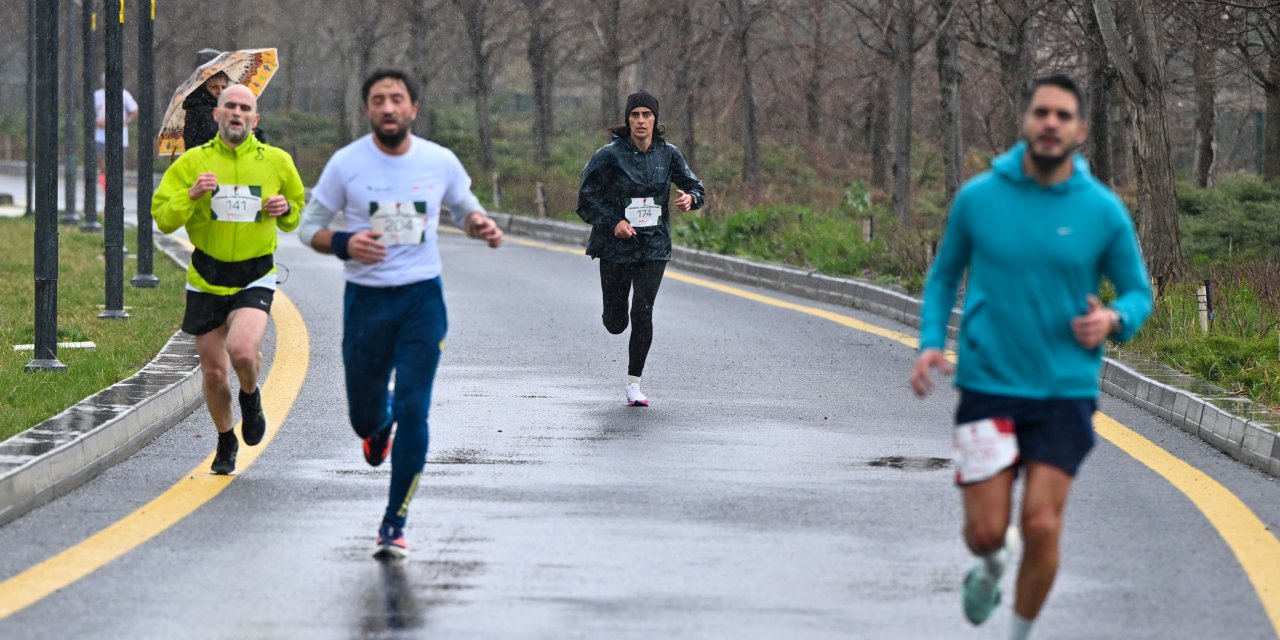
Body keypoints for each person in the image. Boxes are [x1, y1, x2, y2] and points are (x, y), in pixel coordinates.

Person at [909, 74, 1153, 640]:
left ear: (1080, 129)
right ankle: (992, 564)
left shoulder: (1103, 210)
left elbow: (1139, 293)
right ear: (1025, 121)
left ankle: (1018, 632)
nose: (1051, 123)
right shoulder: (979, 198)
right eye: (1042, 112)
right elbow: (945, 276)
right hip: (989, 384)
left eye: (1063, 115)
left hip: (1064, 389)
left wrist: (1114, 319)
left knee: (1042, 523)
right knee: (987, 533)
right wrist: (928, 342)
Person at [298, 69, 503, 559]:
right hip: (366, 303)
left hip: (420, 301)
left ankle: (394, 522)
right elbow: (309, 229)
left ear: (412, 108)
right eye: (377, 100)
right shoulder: (346, 164)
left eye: (396, 99)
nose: (387, 107)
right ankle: (377, 426)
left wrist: (479, 223)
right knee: (364, 417)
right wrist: (346, 242)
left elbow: (464, 207)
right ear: (367, 110)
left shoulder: (439, 160)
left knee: (416, 408)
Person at [152, 84, 306, 475]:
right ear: (218, 114)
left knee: (241, 351)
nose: (237, 113)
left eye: (245, 108)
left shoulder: (276, 161)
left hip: (254, 273)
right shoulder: (192, 163)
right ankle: (225, 439)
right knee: (214, 371)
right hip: (207, 276)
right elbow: (164, 217)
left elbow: (296, 211)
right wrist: (190, 194)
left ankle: (251, 397)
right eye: (230, 107)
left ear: (256, 119)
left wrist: (285, 208)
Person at [575, 90, 705, 407]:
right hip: (616, 247)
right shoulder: (609, 155)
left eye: (647, 114)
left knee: (642, 311)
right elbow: (585, 199)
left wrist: (691, 198)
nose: (641, 121)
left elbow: (695, 187)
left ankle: (634, 384)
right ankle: (612, 315)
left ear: (655, 119)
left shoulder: (668, 154)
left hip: (654, 246)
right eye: (635, 115)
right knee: (617, 322)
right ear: (628, 120)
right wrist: (613, 222)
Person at [93, 78, 140, 189]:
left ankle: (115, 188)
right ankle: (106, 188)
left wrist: (127, 120)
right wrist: (97, 121)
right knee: (103, 164)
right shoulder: (97, 95)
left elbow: (135, 109)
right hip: (101, 137)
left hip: (121, 137)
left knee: (119, 164)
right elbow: (90, 112)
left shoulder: (124, 94)